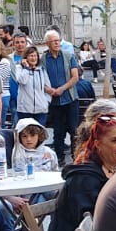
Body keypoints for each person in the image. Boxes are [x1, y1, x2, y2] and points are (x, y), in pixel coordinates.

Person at [39, 30, 82, 164]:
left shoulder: (69, 56)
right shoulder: (43, 59)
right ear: (47, 43)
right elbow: (39, 79)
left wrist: (62, 88)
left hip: (70, 98)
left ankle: (77, 157)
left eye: (58, 40)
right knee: (58, 131)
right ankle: (59, 157)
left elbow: (75, 77)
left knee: (74, 129)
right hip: (54, 101)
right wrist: (49, 90)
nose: (57, 43)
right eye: (54, 41)